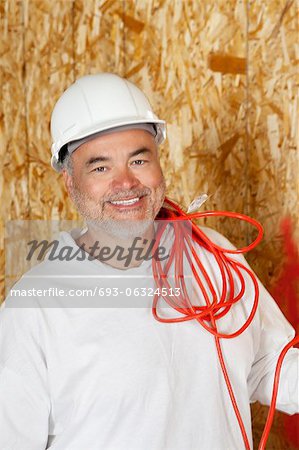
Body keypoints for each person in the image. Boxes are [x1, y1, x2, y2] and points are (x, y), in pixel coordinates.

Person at [0, 73, 298, 450]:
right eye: (100, 167)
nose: (126, 183)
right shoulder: (37, 305)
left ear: (158, 163)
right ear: (70, 182)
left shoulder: (212, 255)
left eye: (138, 159)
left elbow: (269, 364)